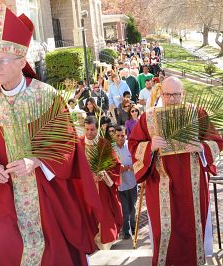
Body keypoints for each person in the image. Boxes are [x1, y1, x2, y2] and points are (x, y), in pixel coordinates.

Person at [0, 4, 102, 265]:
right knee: (4, 247)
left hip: (45, 193)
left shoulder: (46, 97)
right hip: (3, 194)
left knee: (53, 253)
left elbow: (66, 142)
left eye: (2, 60)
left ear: (21, 62)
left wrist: (37, 160)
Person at [128, 76, 223, 266]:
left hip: (192, 188)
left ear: (183, 93)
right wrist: (150, 147)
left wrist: (200, 147)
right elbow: (133, 145)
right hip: (160, 186)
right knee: (163, 233)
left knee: (192, 231)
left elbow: (217, 142)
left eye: (175, 94)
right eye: (167, 94)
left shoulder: (197, 113)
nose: (171, 99)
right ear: (160, 93)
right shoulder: (148, 117)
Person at [79, 116, 123, 250]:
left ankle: (105, 244)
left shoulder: (104, 144)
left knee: (104, 214)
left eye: (92, 129)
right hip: (85, 187)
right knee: (87, 213)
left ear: (97, 129)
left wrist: (104, 174)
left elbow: (115, 164)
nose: (89, 132)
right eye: (86, 129)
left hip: (103, 187)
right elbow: (74, 166)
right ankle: (91, 242)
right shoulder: (79, 144)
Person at [114, 126, 137, 240]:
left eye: (122, 135)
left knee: (132, 207)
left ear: (126, 135)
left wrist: (131, 167)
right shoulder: (111, 149)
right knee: (124, 209)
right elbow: (111, 167)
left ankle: (134, 227)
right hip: (120, 186)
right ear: (114, 136)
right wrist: (119, 169)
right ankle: (126, 232)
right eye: (118, 135)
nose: (120, 138)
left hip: (132, 183)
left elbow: (138, 161)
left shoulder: (131, 146)